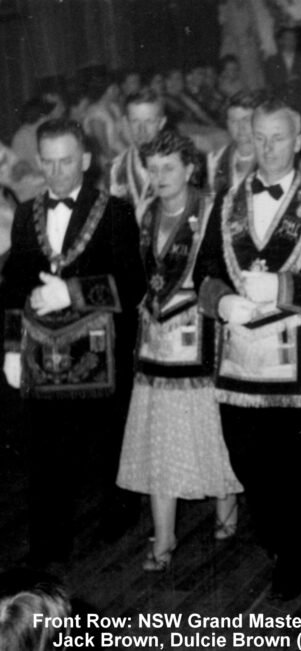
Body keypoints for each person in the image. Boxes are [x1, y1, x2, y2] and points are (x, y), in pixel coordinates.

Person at [193, 98, 301, 601]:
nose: (267, 148)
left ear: (299, 141)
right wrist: (222, 305)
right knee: (247, 461)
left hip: (300, 364)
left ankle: (297, 559)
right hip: (241, 361)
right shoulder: (227, 202)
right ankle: (276, 538)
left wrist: (286, 289)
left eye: (278, 137)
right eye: (259, 137)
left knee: (300, 470)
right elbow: (204, 273)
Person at [2, 119, 144, 565]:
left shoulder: (116, 210)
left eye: (66, 161)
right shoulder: (27, 213)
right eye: (48, 162)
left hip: (100, 353)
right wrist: (8, 348)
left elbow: (133, 283)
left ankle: (118, 520)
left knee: (106, 446)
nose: (57, 171)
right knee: (44, 451)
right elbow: (12, 287)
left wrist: (75, 293)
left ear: (85, 160)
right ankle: (48, 545)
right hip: (43, 352)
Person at [116, 130, 242, 571]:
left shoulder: (213, 211)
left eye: (169, 167)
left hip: (199, 340)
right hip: (155, 344)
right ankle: (164, 536)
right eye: (152, 168)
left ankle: (227, 507)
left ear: (191, 168)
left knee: (208, 432)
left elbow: (223, 273)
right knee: (158, 442)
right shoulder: (146, 212)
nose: (160, 176)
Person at [110, 90, 167, 208]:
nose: (142, 130)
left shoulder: (179, 164)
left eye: (149, 121)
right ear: (126, 123)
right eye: (135, 121)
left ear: (161, 123)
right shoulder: (115, 169)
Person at [207, 91, 259, 196]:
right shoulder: (215, 159)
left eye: (246, 120)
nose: (240, 128)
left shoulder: (269, 157)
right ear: (227, 124)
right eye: (234, 121)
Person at [264, 28, 301, 117]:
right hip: (281, 103)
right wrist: (286, 80)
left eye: (293, 39)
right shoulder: (272, 60)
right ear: (281, 41)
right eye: (288, 38)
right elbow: (271, 82)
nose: (291, 42)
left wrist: (296, 80)